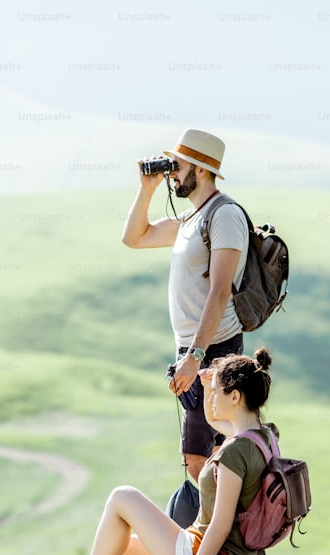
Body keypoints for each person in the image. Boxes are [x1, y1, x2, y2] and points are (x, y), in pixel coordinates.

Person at [10, 349, 275, 555]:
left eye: (218, 391)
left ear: (236, 396)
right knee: (117, 549)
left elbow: (220, 525)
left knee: (122, 496)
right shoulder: (263, 437)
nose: (213, 397)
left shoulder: (233, 453)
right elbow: (213, 419)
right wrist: (208, 386)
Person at [121, 128, 249, 483]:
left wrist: (195, 358)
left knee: (201, 460)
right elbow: (134, 237)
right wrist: (146, 190)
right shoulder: (189, 220)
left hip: (215, 349)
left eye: (177, 165)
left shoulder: (223, 216)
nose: (171, 173)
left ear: (202, 170)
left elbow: (220, 291)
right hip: (193, 348)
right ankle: (217, 533)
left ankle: (217, 534)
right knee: (206, 458)